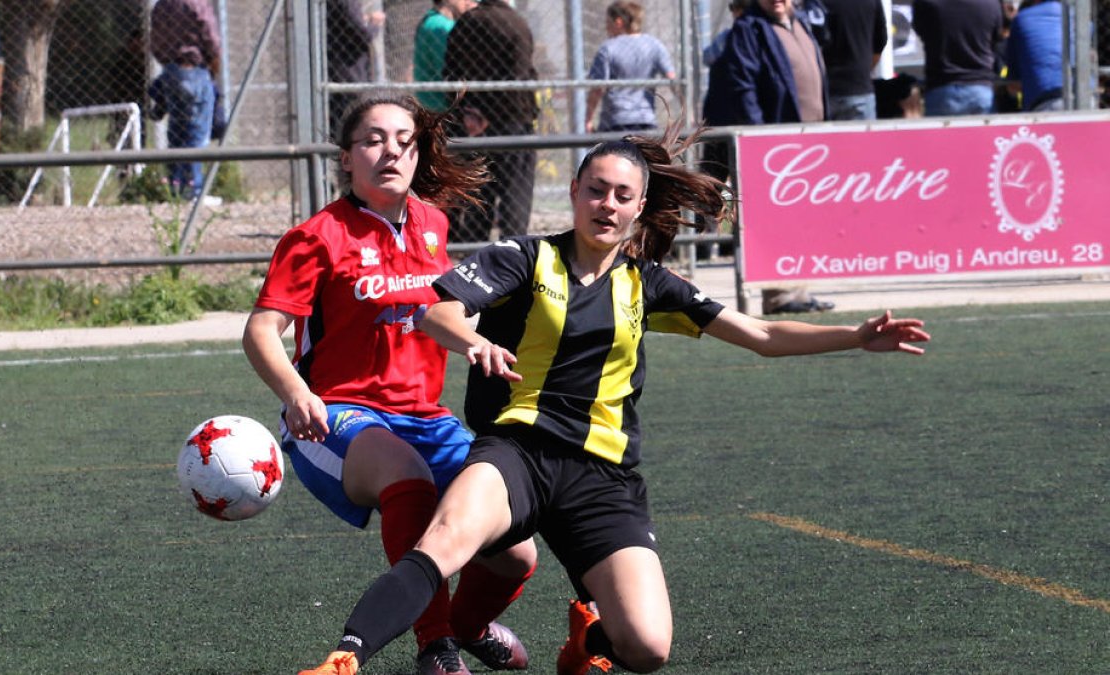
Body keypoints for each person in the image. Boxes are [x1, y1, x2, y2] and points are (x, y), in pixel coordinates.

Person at [297, 127, 931, 675]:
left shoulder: (650, 284)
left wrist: (855, 336)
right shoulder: (523, 258)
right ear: (573, 194)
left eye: (622, 196)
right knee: (444, 540)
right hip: (516, 451)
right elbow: (439, 312)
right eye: (596, 190)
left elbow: (761, 335)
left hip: (601, 477)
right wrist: (473, 344)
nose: (607, 204)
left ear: (639, 208)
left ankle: (588, 641)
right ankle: (346, 656)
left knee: (649, 646)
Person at [242, 94, 536, 675]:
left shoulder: (433, 224)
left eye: (404, 140)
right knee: (410, 479)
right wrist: (296, 395)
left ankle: (467, 627)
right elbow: (260, 330)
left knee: (515, 550)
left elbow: (441, 314)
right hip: (336, 417)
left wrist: (474, 341)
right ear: (347, 158)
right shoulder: (318, 235)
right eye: (373, 140)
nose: (390, 152)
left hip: (426, 415)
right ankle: (436, 649)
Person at [703, 0, 834, 314]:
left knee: (803, 220)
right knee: (780, 220)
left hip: (809, 143)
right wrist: (760, 136)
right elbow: (742, 86)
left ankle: (800, 291)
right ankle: (779, 295)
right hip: (776, 147)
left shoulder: (800, 23)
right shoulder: (749, 29)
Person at [442, 0, 539, 243]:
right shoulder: (516, 24)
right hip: (512, 123)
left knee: (479, 191)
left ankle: (477, 255)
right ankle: (513, 253)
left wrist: (471, 112)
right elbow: (518, 80)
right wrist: (492, 115)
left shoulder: (465, 23)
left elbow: (450, 74)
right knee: (515, 194)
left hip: (473, 125)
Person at [148, 0, 221, 204]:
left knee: (177, 132)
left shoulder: (162, 5)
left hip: (171, 70)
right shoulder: (196, 3)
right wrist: (214, 56)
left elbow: (155, 40)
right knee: (196, 133)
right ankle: (194, 190)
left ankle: (176, 187)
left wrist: (166, 60)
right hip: (195, 68)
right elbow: (209, 32)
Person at [584, 1, 676, 134]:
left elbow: (597, 89)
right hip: (646, 121)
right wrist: (687, 111)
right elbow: (672, 78)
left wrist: (588, 119)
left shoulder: (608, 48)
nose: (606, 27)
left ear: (619, 22)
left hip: (615, 122)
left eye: (608, 22)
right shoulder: (654, 45)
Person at [911, 0, 1003, 116]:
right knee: (984, 134)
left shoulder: (926, 3)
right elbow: (996, 39)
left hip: (941, 89)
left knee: (943, 134)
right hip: (981, 87)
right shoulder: (991, 3)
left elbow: (920, 31)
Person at [821, 0, 888, 120]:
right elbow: (879, 43)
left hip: (825, 91)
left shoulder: (816, 3)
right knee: (863, 139)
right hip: (859, 88)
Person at [326, 0, 386, 133]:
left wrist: (364, 20)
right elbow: (362, 34)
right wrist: (374, 24)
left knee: (341, 124)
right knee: (352, 124)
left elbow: (349, 24)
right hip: (349, 73)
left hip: (338, 70)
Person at [413, 0, 478, 113]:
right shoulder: (442, 27)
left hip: (430, 102)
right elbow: (449, 68)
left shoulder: (431, 18)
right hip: (441, 106)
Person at [1004, 0, 1065, 112]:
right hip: (1085, 96)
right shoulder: (1077, 18)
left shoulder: (1021, 19)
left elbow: (1013, 83)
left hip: (1043, 102)